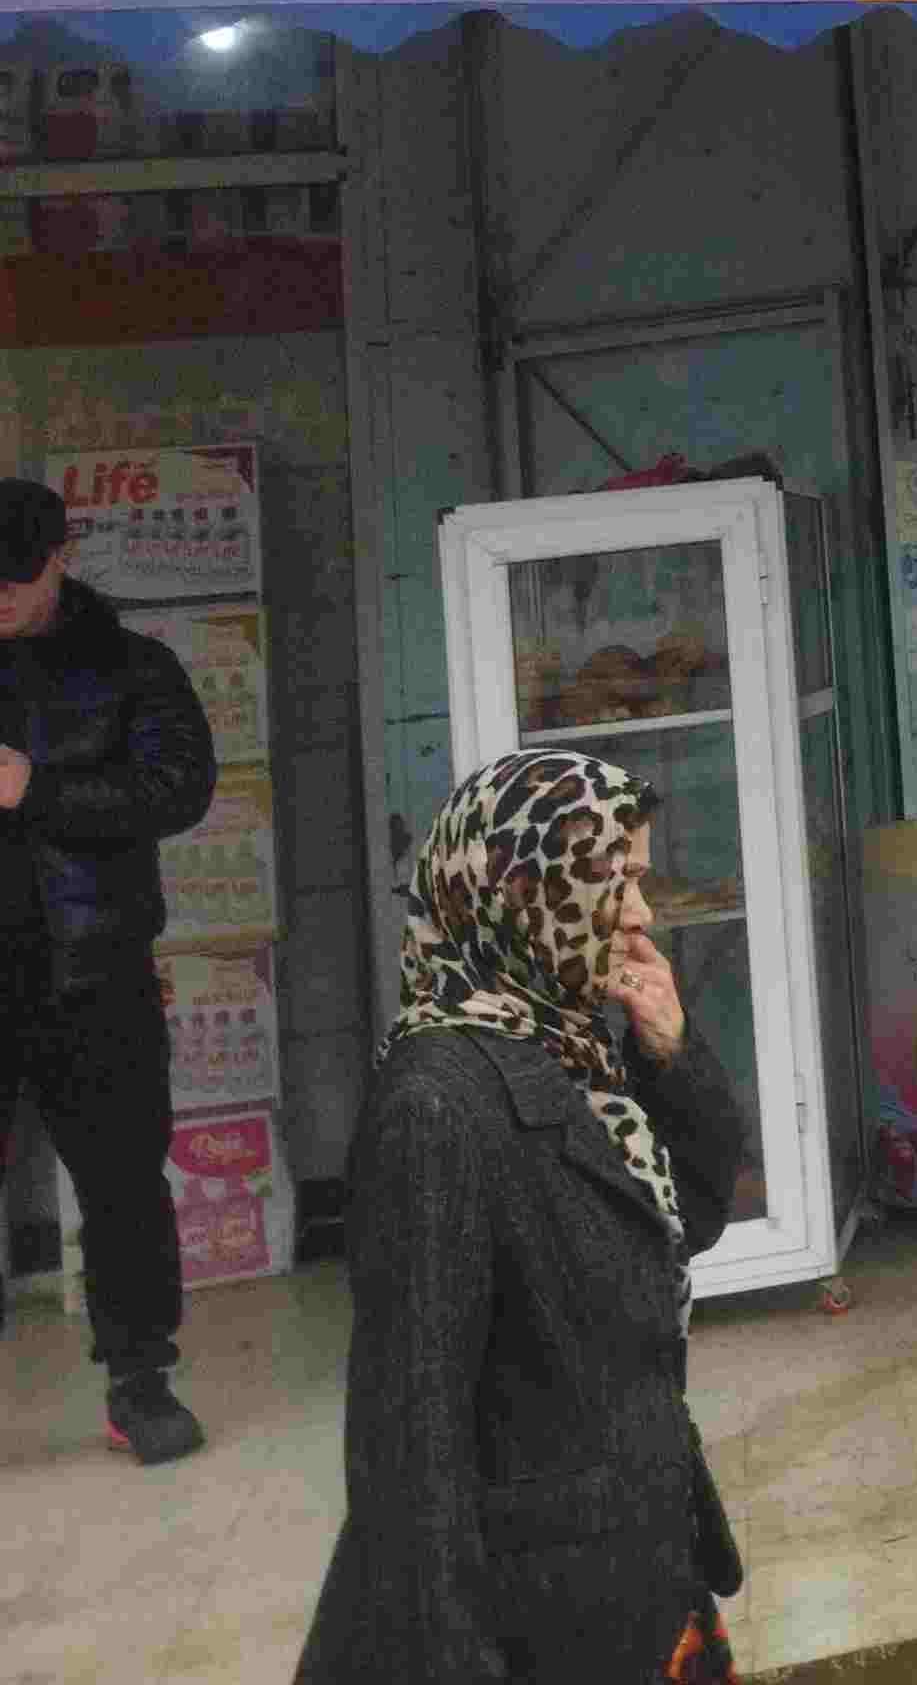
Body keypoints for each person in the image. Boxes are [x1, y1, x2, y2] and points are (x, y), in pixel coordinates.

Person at [298, 750, 750, 1685]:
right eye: (613, 879)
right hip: (538, 1623)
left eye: (639, 880)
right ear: (515, 890)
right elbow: (411, 1444)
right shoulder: (436, 1104)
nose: (640, 914)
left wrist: (670, 1052)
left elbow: (693, 1216)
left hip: (636, 1583)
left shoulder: (565, 1043)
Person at [0, 475, 219, 1465]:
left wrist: (35, 790)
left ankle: (140, 1382)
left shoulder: (134, 668)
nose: (1, 596)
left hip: (95, 974)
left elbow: (177, 790)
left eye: (17, 575)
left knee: (124, 1185)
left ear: (62, 555)